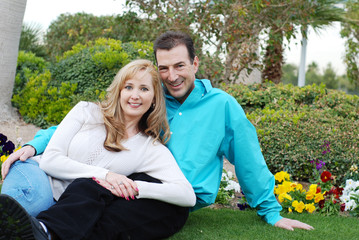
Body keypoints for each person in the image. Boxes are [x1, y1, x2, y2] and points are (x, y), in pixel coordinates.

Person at [2, 31, 313, 235]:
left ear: (195, 63)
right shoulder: (151, 99)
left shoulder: (221, 107)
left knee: (105, 211)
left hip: (170, 193)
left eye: (179, 66)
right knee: (89, 191)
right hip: (122, 178)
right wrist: (34, 144)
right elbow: (95, 121)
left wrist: (272, 213)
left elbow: (248, 159)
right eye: (164, 68)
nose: (172, 75)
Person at [0, 59, 196, 239]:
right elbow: (51, 161)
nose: (135, 95)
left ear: (154, 98)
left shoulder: (150, 148)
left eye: (144, 89)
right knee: (20, 211)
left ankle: (44, 231)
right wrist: (107, 175)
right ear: (119, 91)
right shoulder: (86, 111)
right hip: (38, 174)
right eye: (129, 87)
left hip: (69, 206)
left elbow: (187, 195)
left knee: (27, 228)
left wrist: (135, 188)